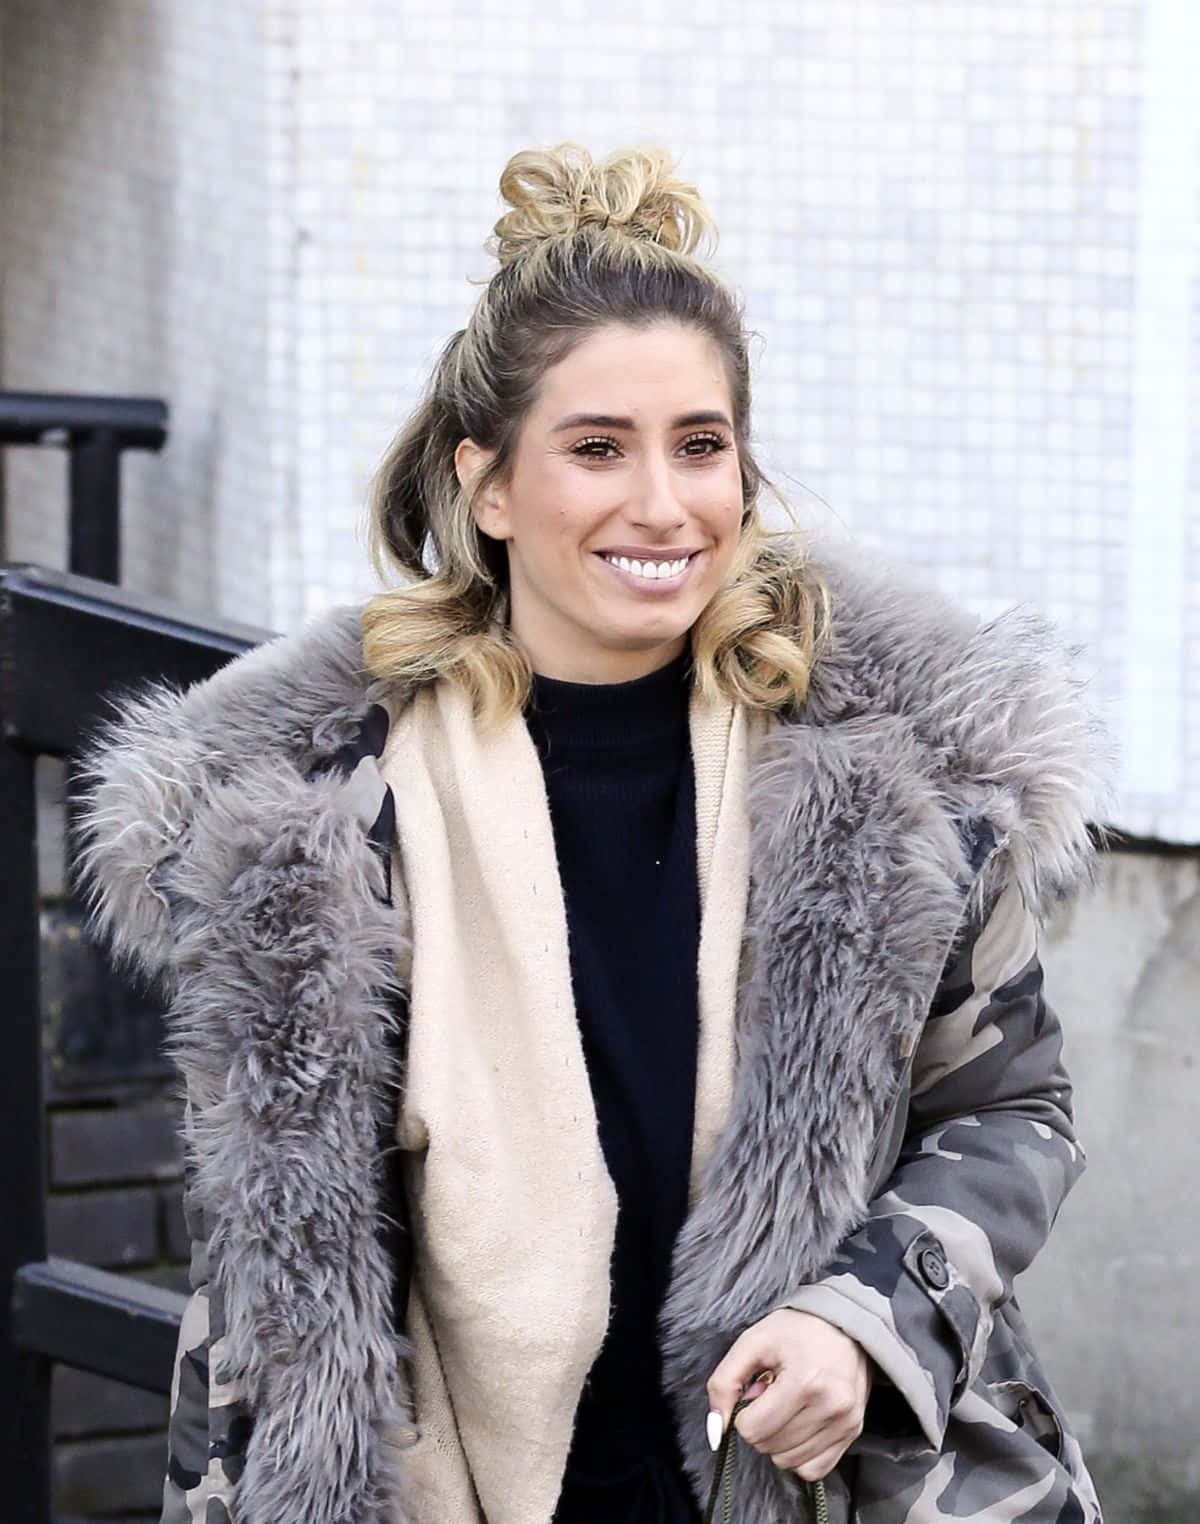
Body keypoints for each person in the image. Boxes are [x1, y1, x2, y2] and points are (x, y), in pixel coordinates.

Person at [78, 143, 1107, 1524]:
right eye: (596, 449)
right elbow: (281, 1273)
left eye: (700, 445)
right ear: (489, 486)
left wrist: (868, 1316)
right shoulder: (318, 821)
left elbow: (1009, 1109)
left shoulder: (896, 780)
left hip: (821, 1484)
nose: (662, 505)